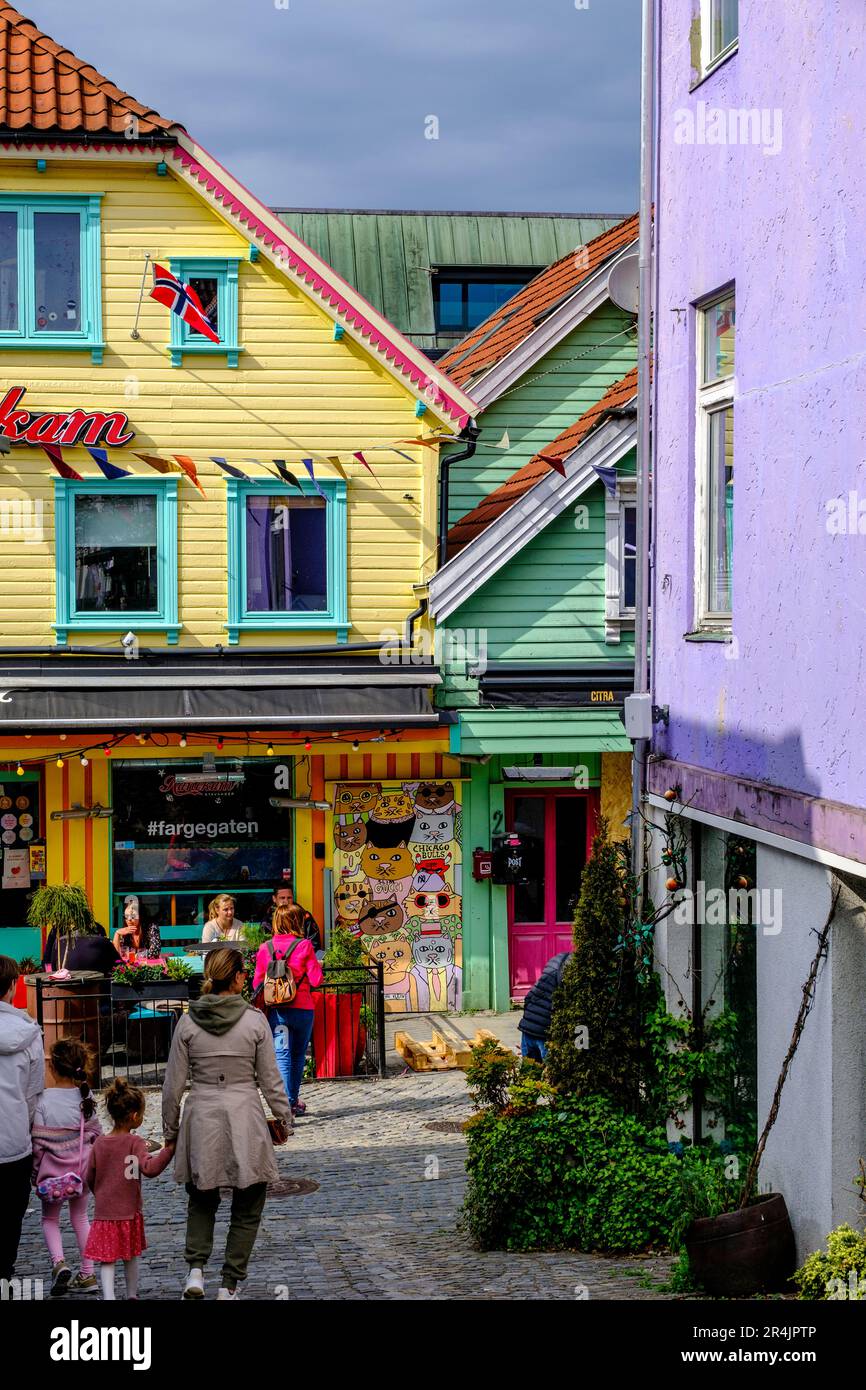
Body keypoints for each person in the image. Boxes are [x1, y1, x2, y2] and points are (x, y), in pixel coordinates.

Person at [161, 947, 292, 1301]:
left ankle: (196, 1271)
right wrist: (284, 1119)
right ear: (235, 977)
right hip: (244, 1114)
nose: (246, 977)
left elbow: (172, 1084)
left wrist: (170, 1132)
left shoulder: (187, 1023)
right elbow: (270, 1079)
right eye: (243, 972)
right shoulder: (253, 1021)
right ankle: (229, 1285)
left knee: (201, 1199)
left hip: (201, 1114)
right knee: (248, 1204)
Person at [84, 1078, 174, 1301]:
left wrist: (101, 1194)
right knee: (130, 1255)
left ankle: (109, 1296)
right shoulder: (135, 1143)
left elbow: (89, 1176)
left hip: (105, 1212)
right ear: (135, 1116)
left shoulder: (100, 1143)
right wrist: (168, 1151)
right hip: (129, 1211)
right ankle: (132, 1295)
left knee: (107, 1258)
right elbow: (150, 1169)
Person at [31, 1037, 103, 1296]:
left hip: (52, 1176)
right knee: (81, 1218)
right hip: (81, 1174)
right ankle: (88, 1273)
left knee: (50, 1219)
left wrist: (35, 1173)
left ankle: (58, 1262)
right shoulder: (85, 1097)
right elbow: (97, 1135)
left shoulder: (43, 1100)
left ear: (52, 1068)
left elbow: (38, 1142)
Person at [252, 903, 323, 1117]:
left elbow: (257, 983)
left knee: (281, 1055)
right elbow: (316, 980)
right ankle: (291, 1101)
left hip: (278, 1011)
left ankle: (284, 1107)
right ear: (297, 922)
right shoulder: (304, 946)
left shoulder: (266, 948)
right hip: (302, 1009)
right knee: (298, 1055)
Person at [0, 955, 45, 1283]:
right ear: (13, 987)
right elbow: (33, 1095)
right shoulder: (28, 1034)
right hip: (13, 1140)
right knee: (9, 1218)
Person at [517, 950, 572, 1062]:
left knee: (529, 1073)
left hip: (528, 1030)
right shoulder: (574, 975)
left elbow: (528, 998)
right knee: (550, 1075)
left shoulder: (556, 961)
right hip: (545, 1035)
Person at [43, 918, 120, 975]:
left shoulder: (58, 938)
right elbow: (118, 965)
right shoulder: (102, 939)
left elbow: (48, 962)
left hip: (66, 985)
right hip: (97, 987)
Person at [260, 883, 321, 952]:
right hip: (278, 960)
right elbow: (265, 947)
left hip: (301, 959)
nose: (286, 901)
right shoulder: (267, 921)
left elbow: (314, 943)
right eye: (282, 898)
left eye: (289, 898)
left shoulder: (304, 916)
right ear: (274, 899)